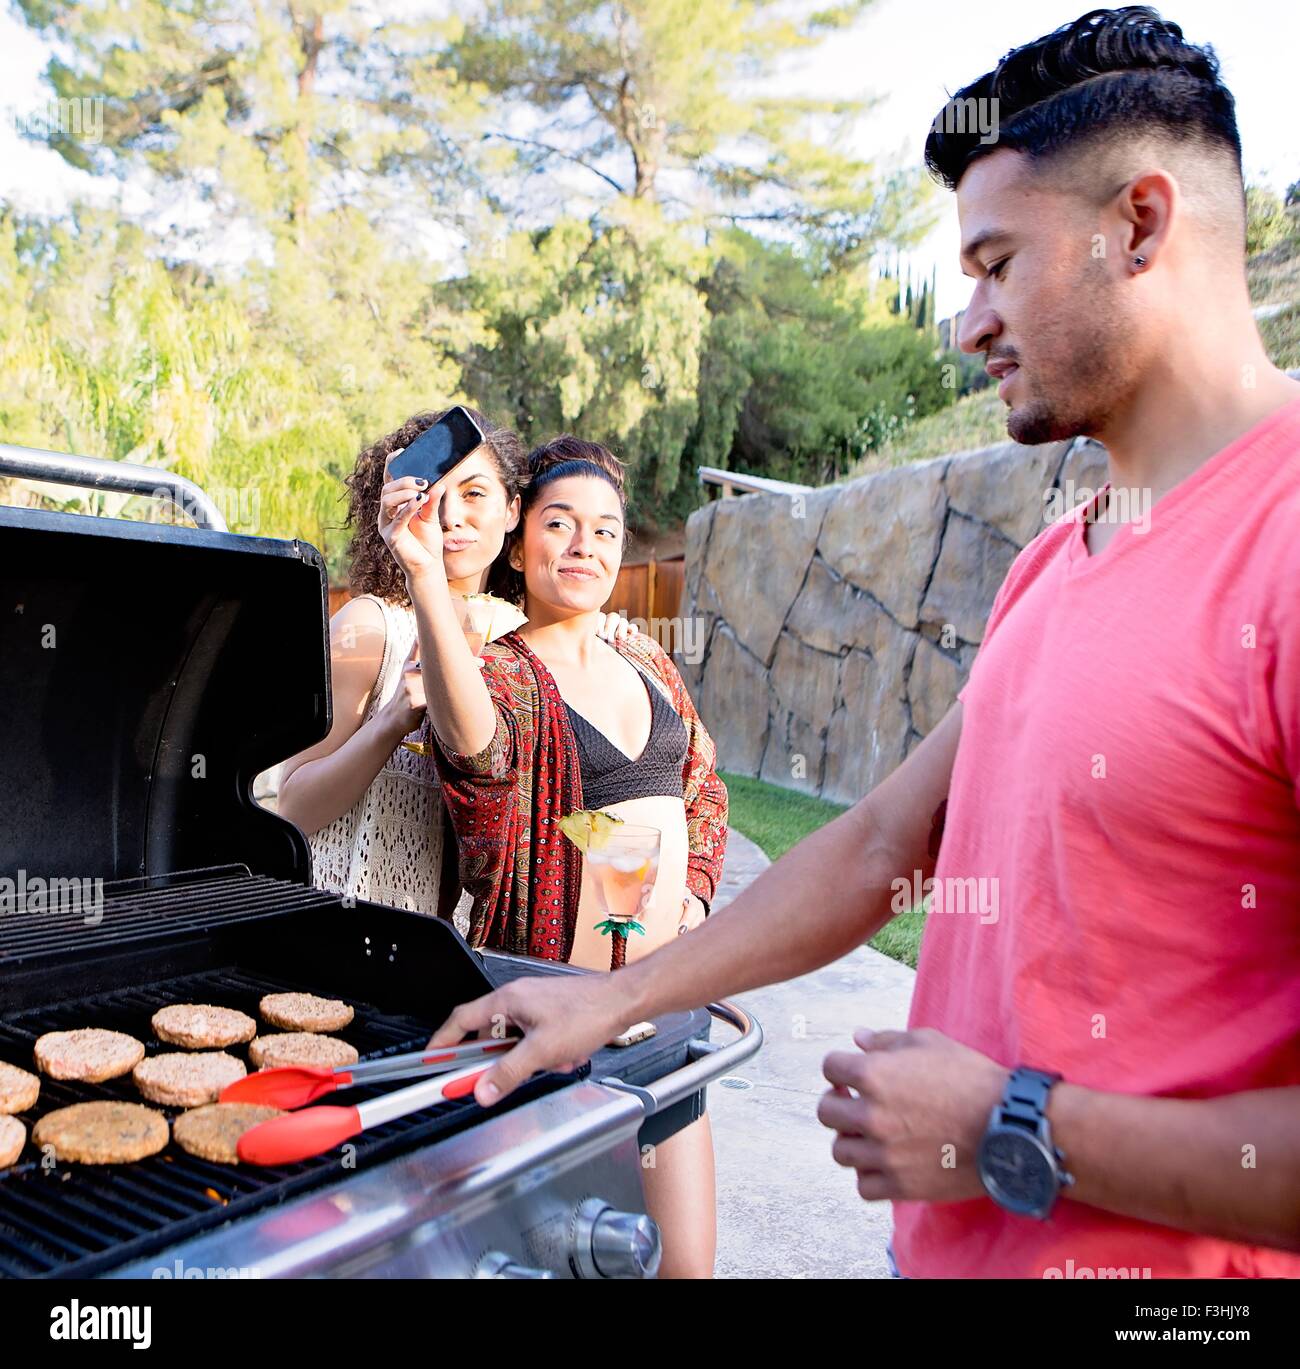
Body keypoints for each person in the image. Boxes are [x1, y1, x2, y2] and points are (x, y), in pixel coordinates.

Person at [425, 6, 1300, 1279]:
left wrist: (1020, 1127)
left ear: (1141, 226)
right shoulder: (1060, 562)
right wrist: (609, 1002)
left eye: (997, 264)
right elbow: (886, 843)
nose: (967, 323)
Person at [378, 435, 727, 1277]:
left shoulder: (645, 657)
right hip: (556, 1033)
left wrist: (696, 902)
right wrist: (426, 572)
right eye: (560, 522)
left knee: (685, 1269)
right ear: (520, 538)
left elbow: (704, 791)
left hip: (665, 1016)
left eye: (605, 531)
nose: (584, 545)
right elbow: (476, 750)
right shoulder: (502, 671)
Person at [275, 407, 626, 920]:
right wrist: (393, 718)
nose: (449, 515)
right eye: (430, 494)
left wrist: (607, 629)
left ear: (512, 511)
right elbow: (294, 809)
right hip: (354, 924)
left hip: (468, 951)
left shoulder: (519, 644)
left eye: (474, 493)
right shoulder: (372, 629)